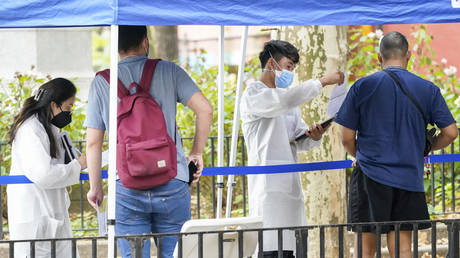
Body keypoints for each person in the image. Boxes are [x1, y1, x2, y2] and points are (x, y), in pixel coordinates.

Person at [84, 25, 213, 258]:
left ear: (115, 46)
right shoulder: (169, 70)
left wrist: (96, 187)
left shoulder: (102, 82)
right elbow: (205, 110)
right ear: (145, 42)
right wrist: (196, 153)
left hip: (124, 184)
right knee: (177, 255)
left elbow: (93, 143)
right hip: (172, 179)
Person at [335, 31, 458, 258]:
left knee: (365, 248)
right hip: (409, 178)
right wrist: (427, 148)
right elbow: (451, 132)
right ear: (408, 56)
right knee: (403, 248)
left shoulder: (362, 87)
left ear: (379, 58)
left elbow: (346, 138)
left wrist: (359, 154)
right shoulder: (427, 89)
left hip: (369, 176)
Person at [240, 40, 344, 258]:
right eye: (288, 67)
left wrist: (314, 135)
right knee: (271, 247)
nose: (291, 73)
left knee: (294, 248)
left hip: (291, 191)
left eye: (293, 69)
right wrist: (323, 81)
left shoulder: (287, 103)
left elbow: (297, 139)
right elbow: (283, 101)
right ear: (271, 63)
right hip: (267, 190)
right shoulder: (254, 95)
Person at [7, 78, 87, 258]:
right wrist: (77, 166)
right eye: (68, 107)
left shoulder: (47, 128)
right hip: (37, 219)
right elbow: (43, 174)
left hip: (49, 217)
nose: (70, 112)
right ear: (53, 105)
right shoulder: (30, 130)